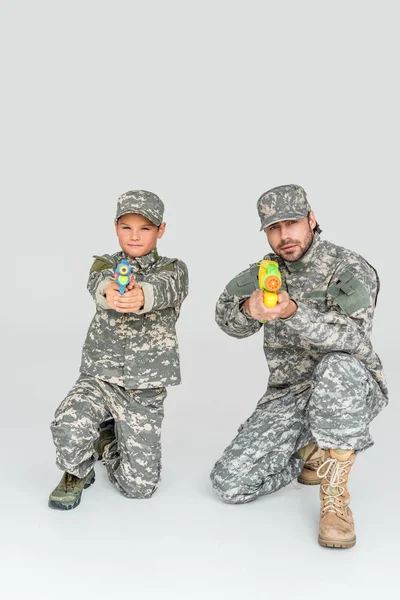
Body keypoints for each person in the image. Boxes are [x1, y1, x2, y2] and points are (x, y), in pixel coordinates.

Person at [210, 184, 388, 548]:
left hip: (349, 387)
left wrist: (292, 312)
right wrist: (249, 310)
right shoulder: (267, 271)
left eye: (291, 223)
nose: (284, 236)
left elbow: (353, 338)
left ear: (312, 219)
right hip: (290, 393)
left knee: (337, 366)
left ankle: (335, 496)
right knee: (230, 484)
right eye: (273, 228)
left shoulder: (349, 267)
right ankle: (311, 449)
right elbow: (225, 316)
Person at [49, 190, 189, 509]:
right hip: (100, 377)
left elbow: (165, 289)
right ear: (115, 227)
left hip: (144, 389)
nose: (135, 235)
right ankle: (77, 472)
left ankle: (108, 441)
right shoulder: (106, 264)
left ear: (160, 230)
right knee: (67, 422)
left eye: (145, 228)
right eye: (127, 227)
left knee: (139, 487)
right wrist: (110, 291)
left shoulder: (174, 269)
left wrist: (140, 297)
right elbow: (98, 282)